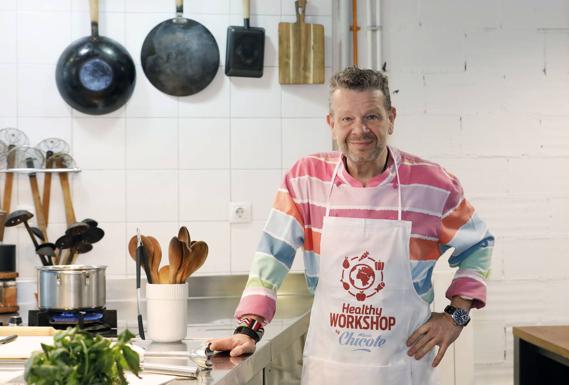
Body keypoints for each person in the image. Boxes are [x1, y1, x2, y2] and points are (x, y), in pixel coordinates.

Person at [208, 66, 494, 384]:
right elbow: (272, 256)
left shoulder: (433, 183)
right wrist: (248, 329)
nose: (359, 130)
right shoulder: (305, 178)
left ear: (391, 118)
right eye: (347, 119)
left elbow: (479, 245)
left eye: (371, 116)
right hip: (330, 370)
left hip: (402, 370)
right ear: (332, 124)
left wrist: (456, 315)